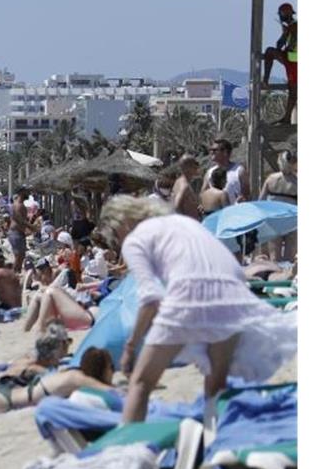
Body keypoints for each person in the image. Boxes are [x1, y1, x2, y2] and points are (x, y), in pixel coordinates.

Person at [94, 195, 296, 428]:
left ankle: (124, 452)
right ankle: (214, 437)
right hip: (232, 296)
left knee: (141, 383)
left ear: (120, 224)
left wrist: (131, 346)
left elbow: (151, 299)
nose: (118, 243)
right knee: (216, 382)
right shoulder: (187, 224)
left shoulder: (135, 240)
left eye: (115, 237)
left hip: (188, 297)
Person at [259, 149, 298, 261]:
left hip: (273, 220)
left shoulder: (271, 179)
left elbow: (261, 201)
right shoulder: (297, 181)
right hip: (291, 220)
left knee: (274, 256)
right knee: (290, 257)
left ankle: (275, 277)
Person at [263, 2, 297, 125]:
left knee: (293, 90)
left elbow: (282, 44)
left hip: (294, 62)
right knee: (269, 52)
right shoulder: (291, 27)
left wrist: (285, 32)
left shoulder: (293, 26)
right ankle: (265, 80)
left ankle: (287, 118)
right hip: (291, 60)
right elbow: (280, 45)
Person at [202, 139, 247, 206]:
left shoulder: (239, 171)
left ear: (225, 152)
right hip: (215, 213)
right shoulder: (209, 173)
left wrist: (243, 199)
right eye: (210, 150)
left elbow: (247, 194)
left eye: (214, 150)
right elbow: (203, 193)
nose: (211, 152)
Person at [8, 188, 32, 273]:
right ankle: (13, 275)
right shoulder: (18, 205)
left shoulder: (19, 204)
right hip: (16, 233)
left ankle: (16, 274)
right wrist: (32, 227)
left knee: (21, 256)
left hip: (18, 233)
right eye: (27, 192)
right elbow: (19, 219)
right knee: (19, 256)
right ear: (21, 193)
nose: (29, 194)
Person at [171, 155, 202, 220]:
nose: (197, 167)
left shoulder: (179, 181)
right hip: (187, 225)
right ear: (188, 167)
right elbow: (176, 206)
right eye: (195, 165)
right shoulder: (184, 186)